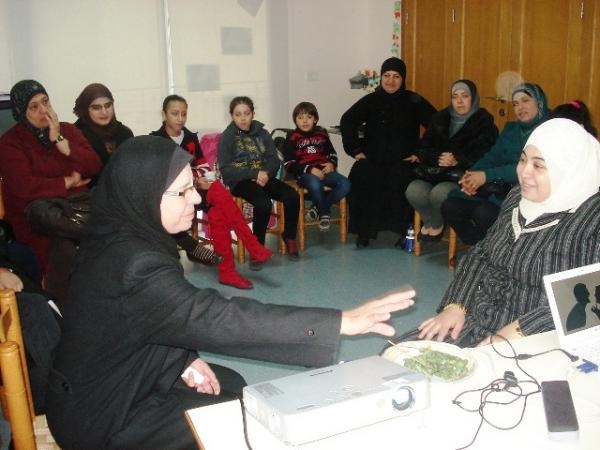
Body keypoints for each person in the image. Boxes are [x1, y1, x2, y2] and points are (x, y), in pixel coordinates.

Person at [45, 135, 416, 449]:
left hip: (122, 374)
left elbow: (155, 317)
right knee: (238, 422)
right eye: (182, 191)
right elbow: (213, 318)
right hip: (104, 415)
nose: (196, 199)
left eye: (193, 186)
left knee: (233, 385)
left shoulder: (120, 231)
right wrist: (339, 322)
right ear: (144, 194)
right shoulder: (133, 264)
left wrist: (184, 360)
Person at [390, 118, 600, 348]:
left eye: (538, 166)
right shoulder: (517, 198)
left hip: (538, 340)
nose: (524, 172)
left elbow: (587, 299)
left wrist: (514, 333)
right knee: (396, 354)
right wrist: (456, 306)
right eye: (523, 160)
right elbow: (482, 253)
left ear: (568, 170)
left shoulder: (591, 218)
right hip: (477, 321)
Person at [151, 95, 273, 289]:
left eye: (184, 114)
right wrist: (192, 179)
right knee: (217, 207)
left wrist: (197, 178)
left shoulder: (190, 137)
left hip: (194, 192)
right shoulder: (155, 141)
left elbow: (203, 166)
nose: (180, 118)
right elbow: (159, 175)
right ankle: (249, 248)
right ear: (164, 115)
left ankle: (229, 271)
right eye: (175, 114)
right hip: (172, 199)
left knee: (217, 204)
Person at [0, 80, 101, 302]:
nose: (43, 110)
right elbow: (24, 187)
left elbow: (93, 165)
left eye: (45, 102)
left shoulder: (67, 130)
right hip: (37, 219)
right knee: (63, 250)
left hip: (76, 209)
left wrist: (60, 142)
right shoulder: (9, 143)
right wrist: (66, 182)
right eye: (34, 106)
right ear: (20, 111)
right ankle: (62, 310)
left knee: (99, 245)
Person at [340, 57, 436, 248]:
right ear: (381, 77)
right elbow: (347, 121)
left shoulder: (413, 100)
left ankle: (405, 232)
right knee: (361, 174)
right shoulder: (371, 100)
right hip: (373, 159)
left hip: (403, 160)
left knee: (402, 178)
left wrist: (420, 152)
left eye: (396, 76)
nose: (391, 81)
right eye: (387, 75)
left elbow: (437, 124)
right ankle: (364, 231)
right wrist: (356, 150)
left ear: (403, 79)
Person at [441, 83, 549, 245]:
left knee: (484, 213)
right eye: (516, 104)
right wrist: (471, 176)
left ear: (539, 102)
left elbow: (527, 169)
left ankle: (497, 248)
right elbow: (492, 156)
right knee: (450, 206)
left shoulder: (548, 130)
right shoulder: (511, 129)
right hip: (497, 188)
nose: (520, 107)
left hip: (526, 192)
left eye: (525, 101)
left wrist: (486, 176)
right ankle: (481, 246)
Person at [406, 80, 498, 241]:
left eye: (465, 96)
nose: (459, 101)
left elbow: (486, 155)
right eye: (455, 97)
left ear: (474, 98)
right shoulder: (439, 118)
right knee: (413, 190)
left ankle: (436, 225)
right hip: (435, 173)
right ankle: (433, 222)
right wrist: (438, 157)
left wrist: (458, 159)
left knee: (440, 193)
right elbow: (423, 147)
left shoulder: (484, 124)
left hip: (463, 177)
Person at [218, 96, 300, 263]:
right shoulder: (227, 137)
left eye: (246, 113)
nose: (243, 118)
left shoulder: (262, 133)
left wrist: (266, 174)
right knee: (263, 203)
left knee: (292, 196)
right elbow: (226, 170)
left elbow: (273, 160)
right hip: (240, 181)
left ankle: (289, 236)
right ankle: (257, 247)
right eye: (238, 114)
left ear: (253, 114)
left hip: (264, 176)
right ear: (232, 116)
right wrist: (254, 174)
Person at [283, 101, 351, 231]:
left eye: (309, 117)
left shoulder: (322, 134)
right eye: (300, 118)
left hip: (325, 171)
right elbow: (289, 164)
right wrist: (310, 169)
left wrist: (331, 164)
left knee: (346, 184)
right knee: (315, 184)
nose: (305, 121)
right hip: (305, 174)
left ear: (315, 119)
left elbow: (332, 154)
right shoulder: (292, 137)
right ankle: (324, 213)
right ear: (295, 120)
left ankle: (318, 208)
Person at [73, 83, 134, 186]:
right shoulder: (76, 134)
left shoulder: (124, 133)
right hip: (89, 193)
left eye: (108, 105)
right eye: (96, 108)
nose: (104, 112)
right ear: (85, 109)